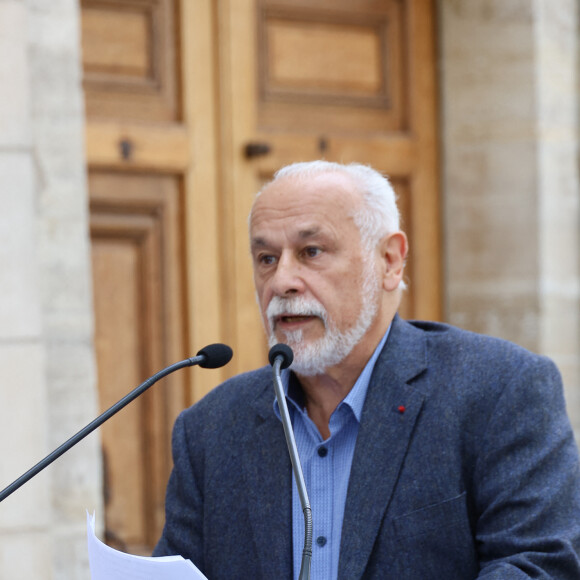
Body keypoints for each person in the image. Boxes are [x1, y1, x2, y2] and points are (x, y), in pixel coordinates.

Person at [153, 160, 580, 579]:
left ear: (390, 261)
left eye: (311, 252)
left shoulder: (498, 390)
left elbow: (540, 565)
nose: (282, 281)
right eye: (266, 258)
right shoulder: (210, 429)